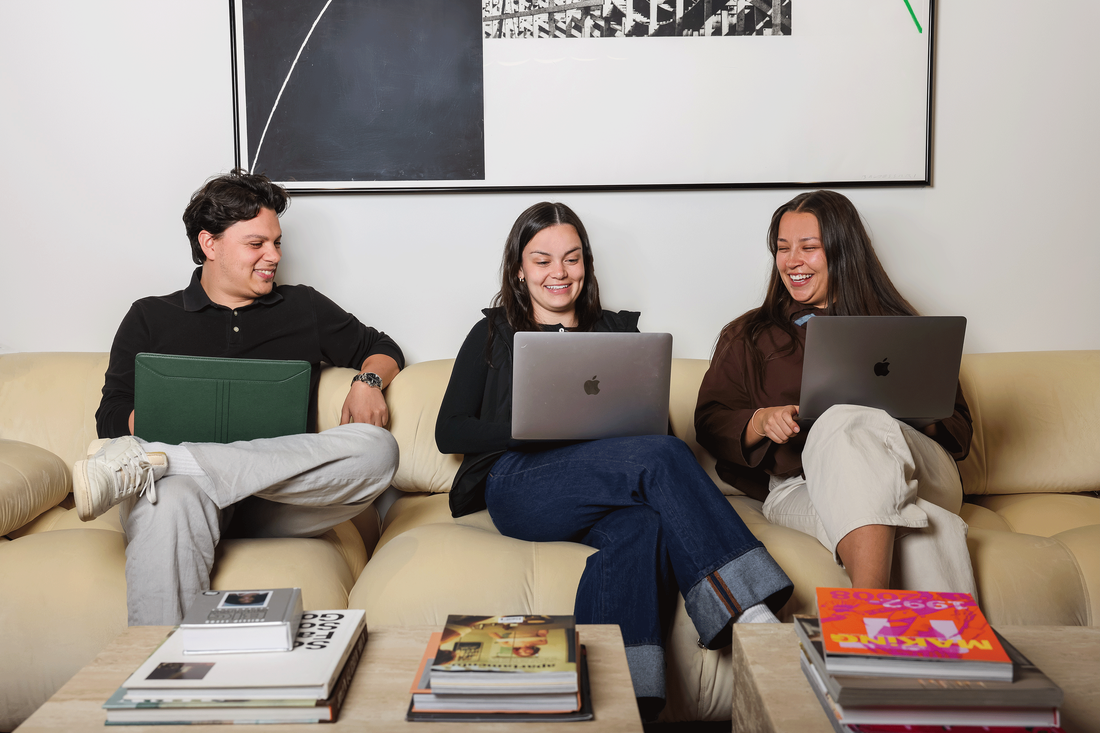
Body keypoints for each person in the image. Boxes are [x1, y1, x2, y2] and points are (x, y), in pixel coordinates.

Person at [435, 201, 793, 720]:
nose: (559, 273)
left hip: (605, 484)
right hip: (518, 483)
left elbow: (657, 434)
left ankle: (619, 703)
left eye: (572, 258)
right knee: (661, 459)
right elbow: (451, 431)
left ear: (587, 264)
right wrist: (531, 427)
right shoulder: (493, 333)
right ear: (518, 268)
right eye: (542, 260)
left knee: (642, 526)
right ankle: (751, 617)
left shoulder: (618, 330)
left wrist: (619, 426)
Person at [76, 169, 403, 626]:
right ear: (210, 244)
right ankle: (160, 676)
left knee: (378, 449)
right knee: (167, 500)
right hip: (184, 498)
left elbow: (383, 347)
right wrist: (168, 412)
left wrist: (367, 382)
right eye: (257, 244)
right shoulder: (150, 316)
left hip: (279, 502)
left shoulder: (301, 306)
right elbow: (111, 415)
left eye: (277, 242)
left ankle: (172, 459)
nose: (274, 256)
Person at [694, 190, 976, 595]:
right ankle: (947, 653)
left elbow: (960, 428)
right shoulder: (748, 334)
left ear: (843, 251)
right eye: (783, 248)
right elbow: (710, 419)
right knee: (928, 529)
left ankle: (865, 605)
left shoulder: (899, 326)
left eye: (809, 248)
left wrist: (911, 409)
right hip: (799, 485)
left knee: (843, 420)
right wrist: (757, 421)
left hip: (918, 470)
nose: (792, 261)